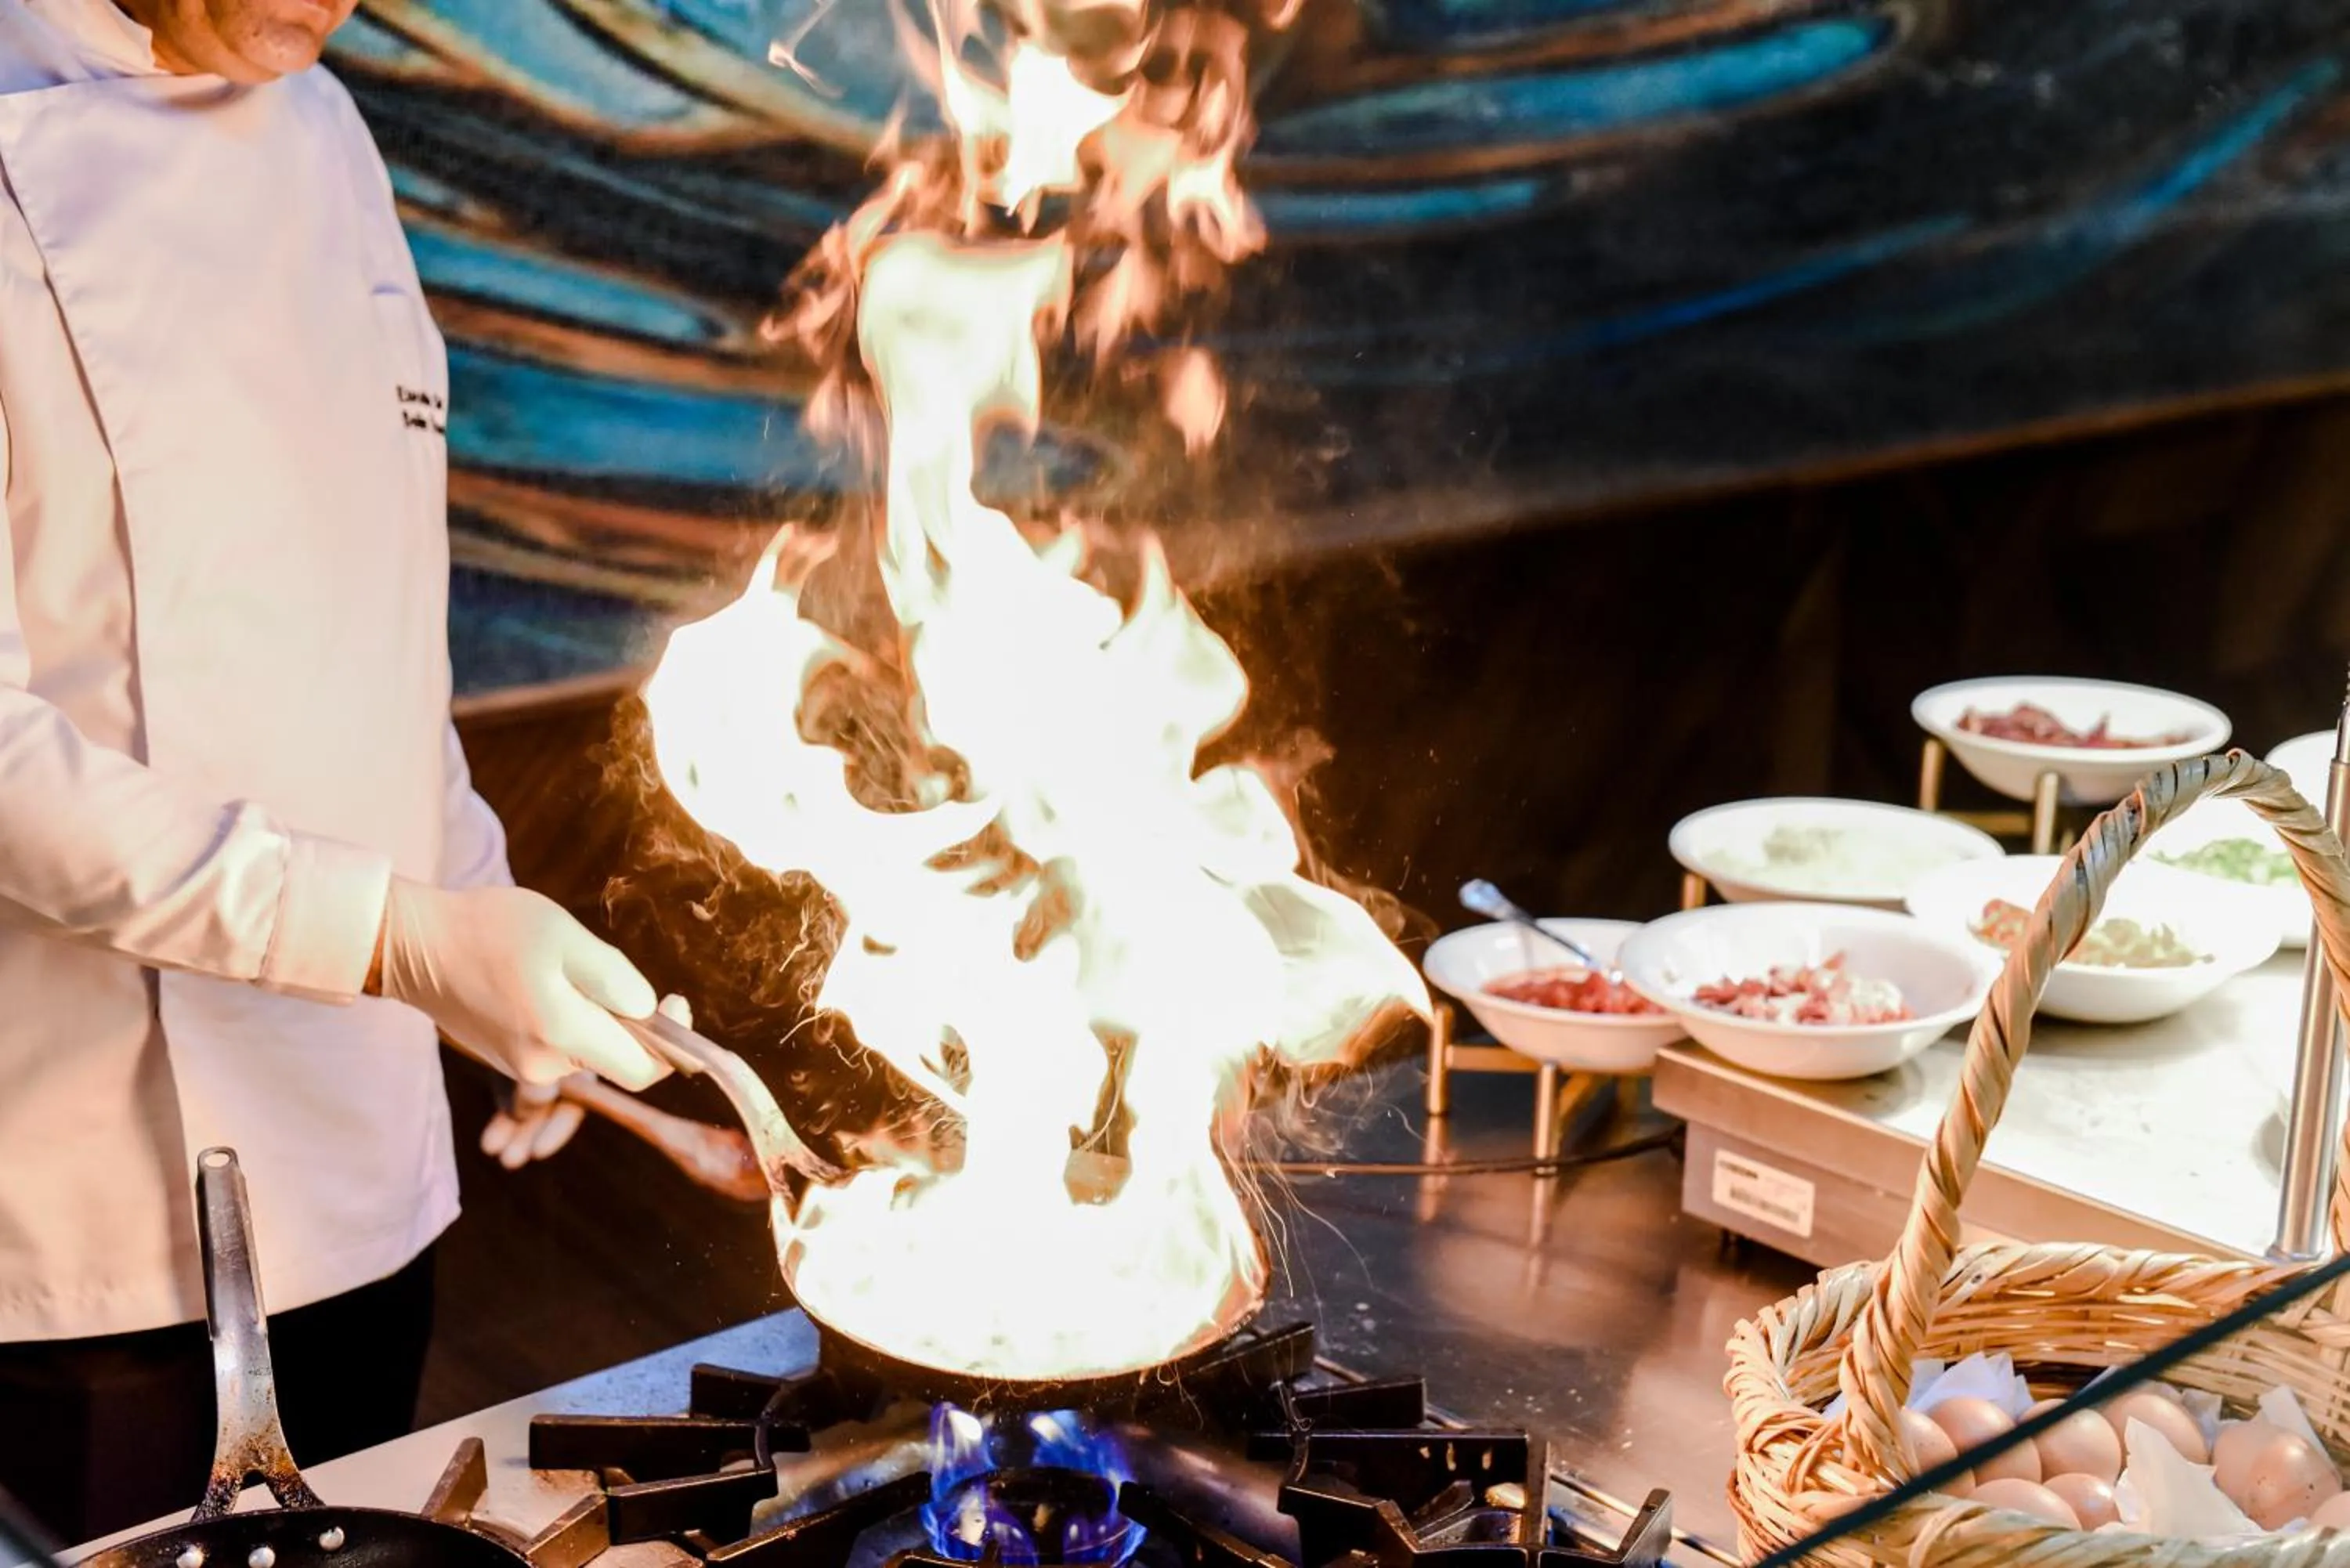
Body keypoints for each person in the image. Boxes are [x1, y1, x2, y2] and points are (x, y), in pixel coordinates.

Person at [0, 0, 676, 1540]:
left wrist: (481, 921)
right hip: (91, 1230)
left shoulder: (320, 124)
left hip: (362, 1159)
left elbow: (364, 616)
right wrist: (396, 936)